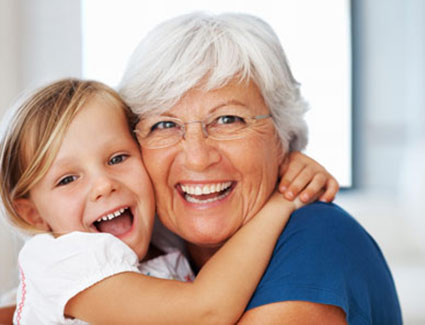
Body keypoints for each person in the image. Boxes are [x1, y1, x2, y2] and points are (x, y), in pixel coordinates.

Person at [118, 12, 402, 323]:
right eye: (165, 125)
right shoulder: (153, 253)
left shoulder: (316, 239)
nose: (197, 158)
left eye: (228, 120)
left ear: (283, 137)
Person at [0, 78, 335, 324]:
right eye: (68, 179)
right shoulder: (64, 260)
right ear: (31, 212)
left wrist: (285, 167)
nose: (103, 185)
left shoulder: (161, 237)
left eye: (117, 158)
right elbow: (206, 311)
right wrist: (283, 199)